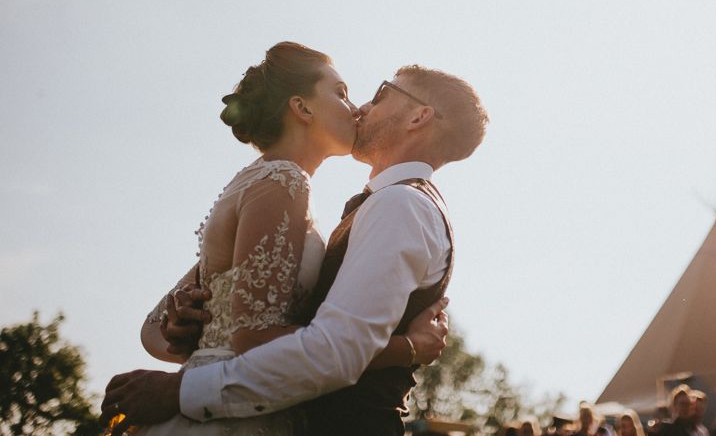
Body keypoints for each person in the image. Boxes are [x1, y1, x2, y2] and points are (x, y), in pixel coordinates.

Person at [102, 63, 488, 435]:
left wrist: (181, 392)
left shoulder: (400, 206)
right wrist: (197, 322)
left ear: (419, 117)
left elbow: (335, 349)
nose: (362, 107)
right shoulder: (372, 205)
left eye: (381, 93)